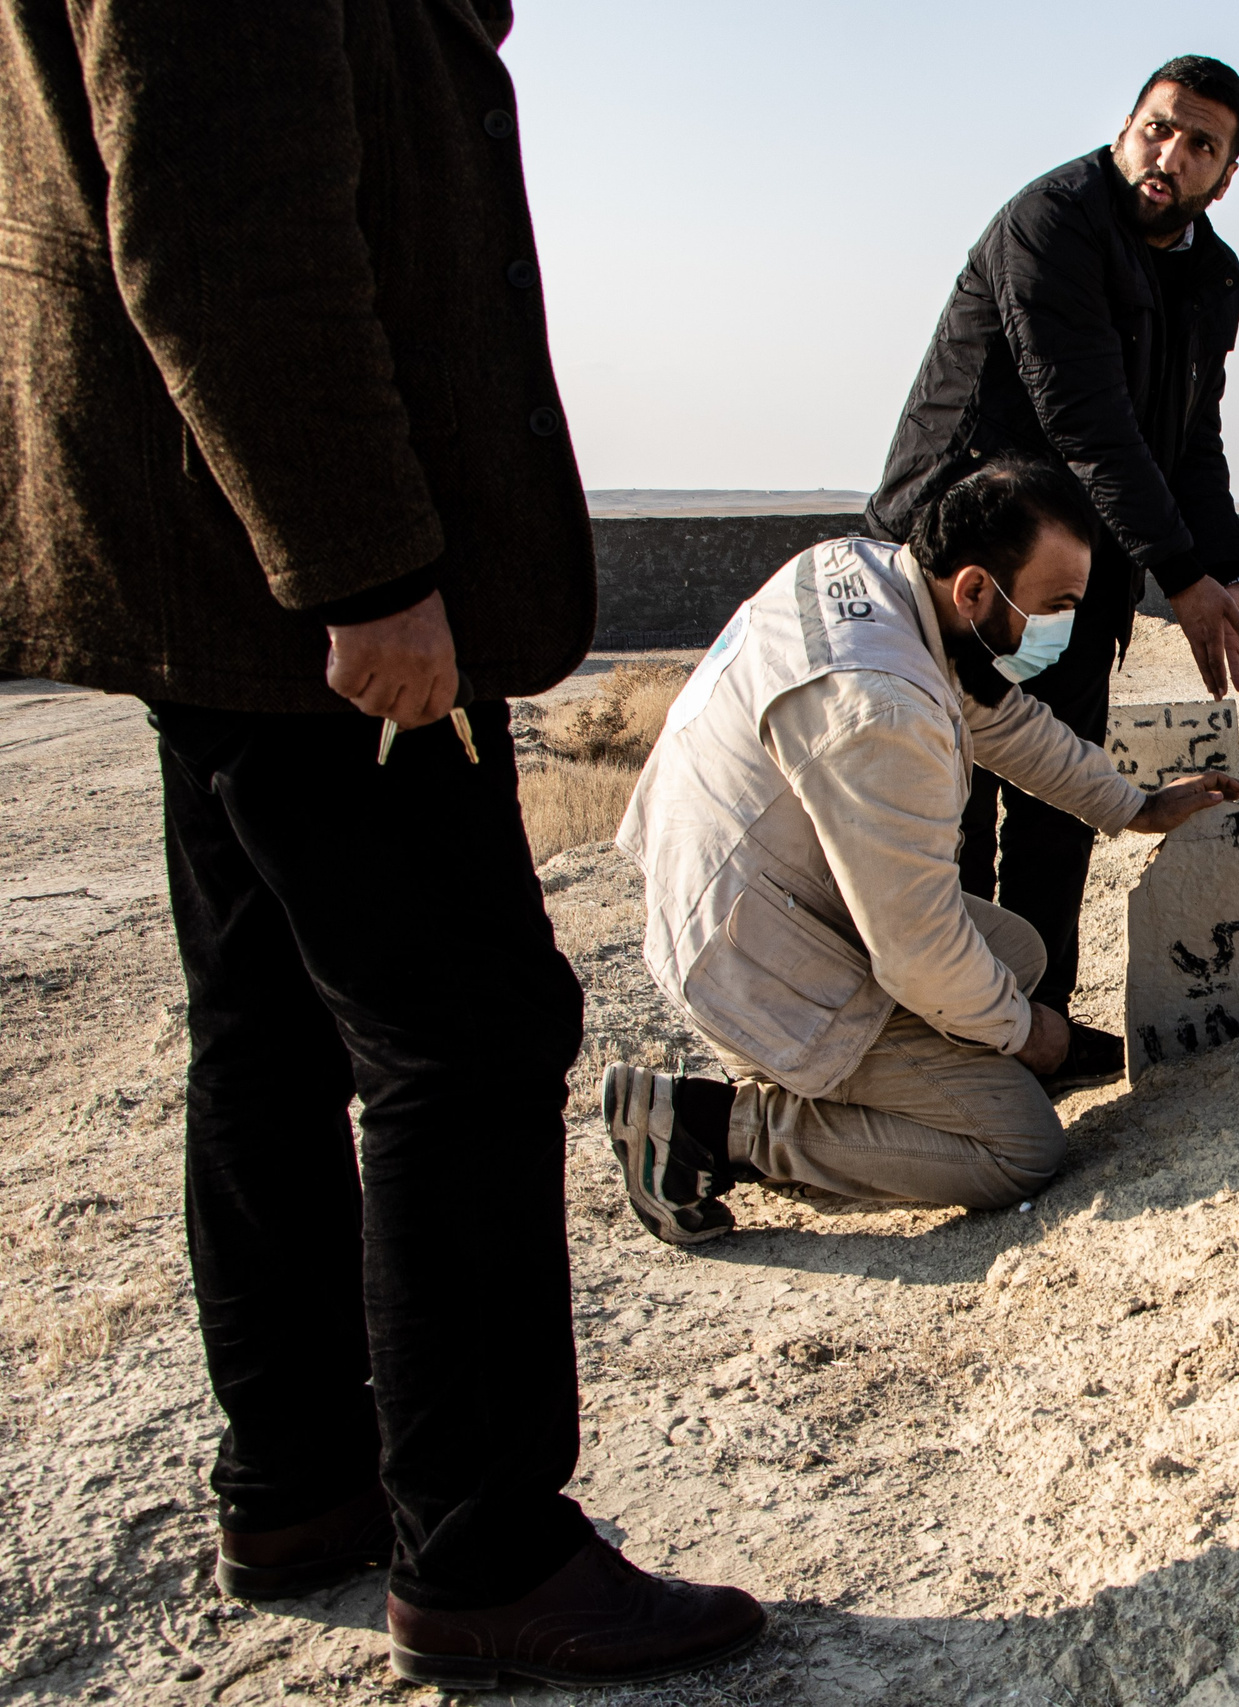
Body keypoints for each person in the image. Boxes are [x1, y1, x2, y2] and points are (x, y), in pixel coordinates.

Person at [0, 0, 763, 1688]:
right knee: (473, 1029)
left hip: (211, 569)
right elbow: (223, 227)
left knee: (268, 1019)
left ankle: (300, 1480)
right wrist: (360, 572)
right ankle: (483, 1547)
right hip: (292, 584)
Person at [612, 460, 1239, 1242]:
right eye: (1055, 607)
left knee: (1014, 952)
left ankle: (880, 1083)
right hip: (748, 953)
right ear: (976, 589)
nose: (1063, 631)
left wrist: (1136, 805)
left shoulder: (883, 584)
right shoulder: (882, 707)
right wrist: (1024, 1032)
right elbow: (917, 951)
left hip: (754, 882)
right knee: (1019, 1143)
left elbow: (1006, 721)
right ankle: (714, 1127)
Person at [862, 55, 1239, 1089]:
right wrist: (1182, 580)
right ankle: (948, 1044)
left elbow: (1189, 441)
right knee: (953, 803)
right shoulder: (1052, 223)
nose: (1170, 155)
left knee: (1057, 806)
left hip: (1083, 572)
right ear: (1127, 126)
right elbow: (1085, 421)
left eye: (1200, 145)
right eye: (1158, 128)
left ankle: (1034, 1032)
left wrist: (1228, 572)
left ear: (1226, 174)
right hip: (963, 558)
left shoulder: (1215, 274)